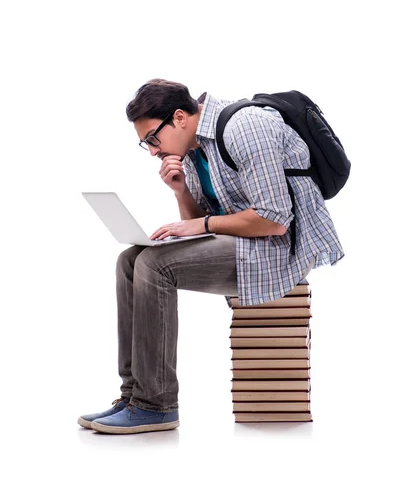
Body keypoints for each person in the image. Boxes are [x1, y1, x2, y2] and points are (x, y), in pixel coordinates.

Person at [77, 78, 345, 435]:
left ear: (179, 117)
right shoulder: (194, 148)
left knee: (156, 265)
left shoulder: (245, 128)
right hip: (249, 241)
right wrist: (181, 191)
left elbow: (274, 219)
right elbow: (201, 231)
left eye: (152, 139)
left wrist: (201, 223)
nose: (153, 151)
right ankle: (134, 396)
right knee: (130, 260)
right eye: (146, 145)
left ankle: (155, 406)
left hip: (284, 248)